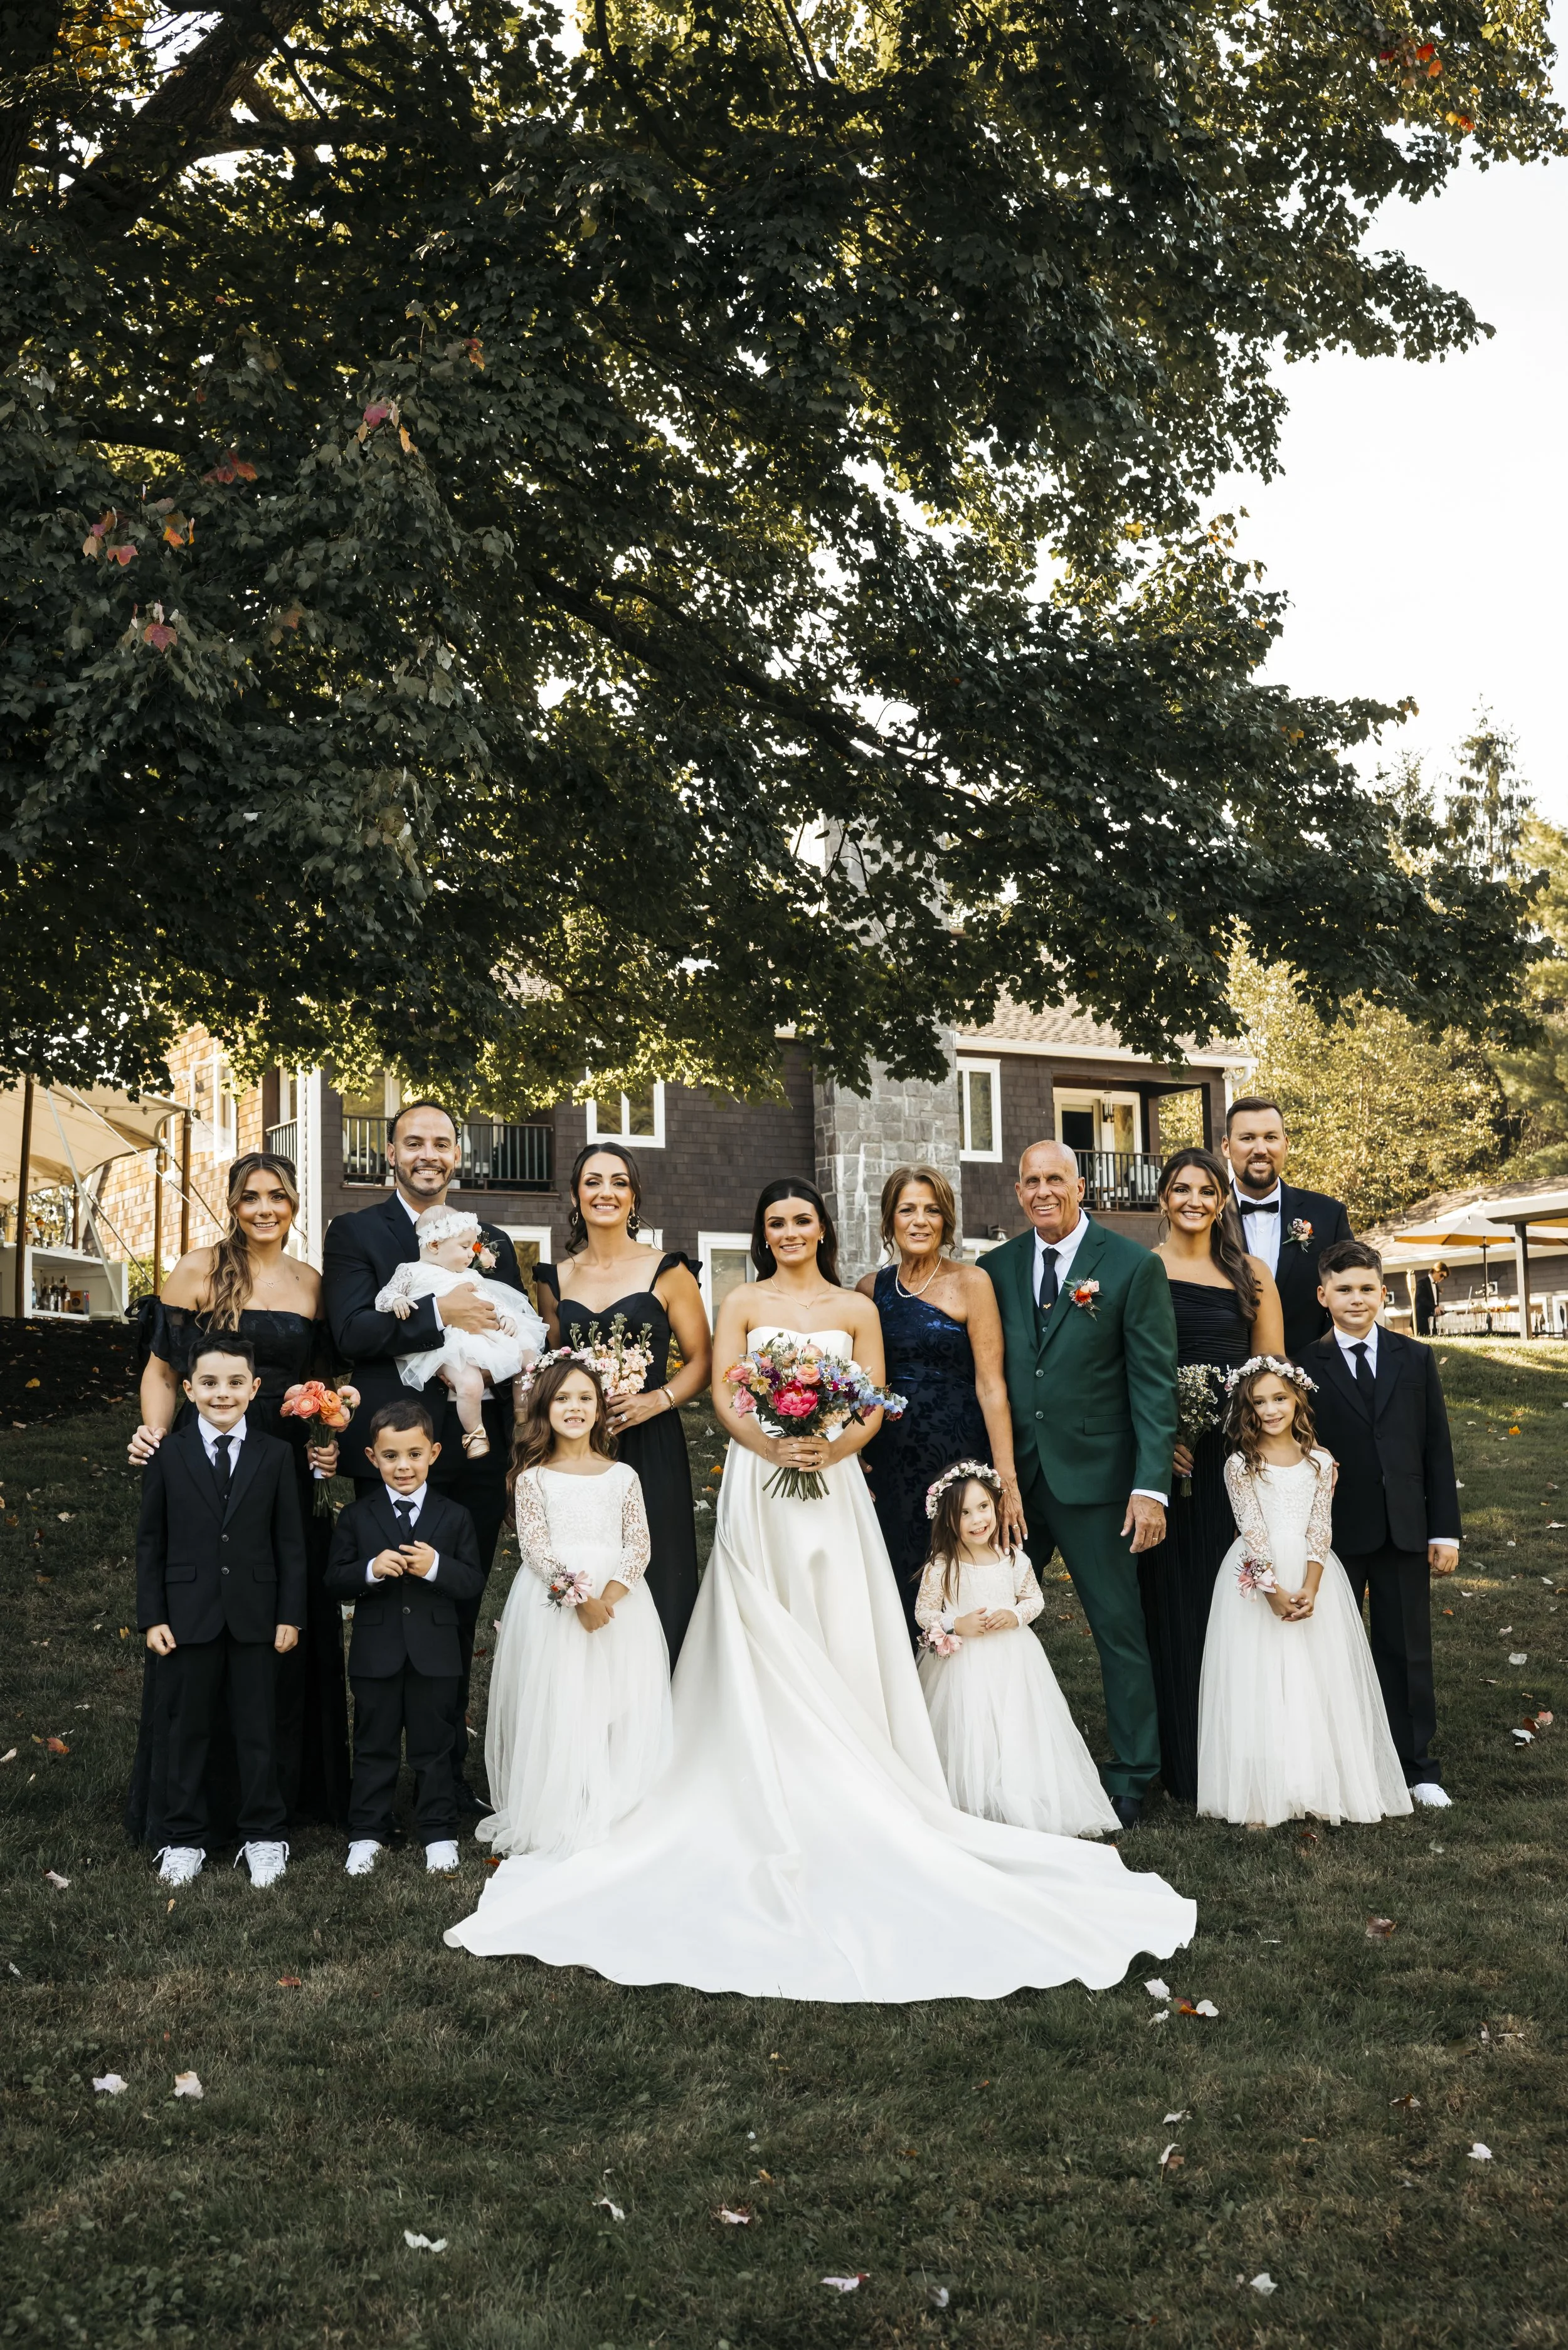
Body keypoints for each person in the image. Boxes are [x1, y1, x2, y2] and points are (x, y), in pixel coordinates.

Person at [445, 1178, 1195, 2001]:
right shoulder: (742, 1296)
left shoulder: (857, 1303)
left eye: (802, 1219)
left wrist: (833, 1445)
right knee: (758, 1612)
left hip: (833, 1482)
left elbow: (873, 1396)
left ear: (822, 1227)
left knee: (837, 1613)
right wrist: (771, 1438)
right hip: (758, 1483)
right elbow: (729, 1391)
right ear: (763, 1233)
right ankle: (754, 1757)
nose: (790, 1231)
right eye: (776, 1222)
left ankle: (852, 1758)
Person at [126, 1150, 349, 1843]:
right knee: (197, 1622)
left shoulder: (313, 1285)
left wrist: (327, 1438)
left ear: (294, 1205)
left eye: (277, 1196)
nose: (263, 1208)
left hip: (279, 1471)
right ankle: (192, 1806)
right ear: (232, 1203)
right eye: (250, 1196)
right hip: (201, 1464)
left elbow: (326, 1388)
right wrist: (159, 1440)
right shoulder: (197, 1269)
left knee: (276, 1625)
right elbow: (162, 1371)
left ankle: (281, 1799)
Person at [322, 1099, 529, 1811]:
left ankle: (445, 1781)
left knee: (455, 1614)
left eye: (441, 1143)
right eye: (414, 1142)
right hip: (391, 1455)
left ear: (456, 1154)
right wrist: (442, 1315)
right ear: (390, 1153)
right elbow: (351, 1331)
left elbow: (510, 1333)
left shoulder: (491, 1237)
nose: (428, 1154)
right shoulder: (355, 1232)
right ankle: (373, 1781)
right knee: (385, 1610)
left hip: (472, 1458)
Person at [980, 1140, 1179, 1829]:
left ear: (1081, 1185)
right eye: (1030, 1181)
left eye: (1055, 1180)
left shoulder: (1131, 1267)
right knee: (984, 1619)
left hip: (1098, 1485)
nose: (1042, 1192)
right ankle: (989, 1762)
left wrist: (1150, 1486)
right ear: (1017, 1191)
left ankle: (1131, 1773)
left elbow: (1152, 1386)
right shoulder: (995, 1268)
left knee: (1117, 1631)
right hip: (1014, 1485)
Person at [1197, 1360, 1412, 1828]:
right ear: (1247, 1408)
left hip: (1313, 1576)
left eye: (1279, 1398)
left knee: (1314, 1681)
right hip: (1258, 1578)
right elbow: (1251, 1529)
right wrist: (1272, 1589)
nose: (1271, 1409)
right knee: (1260, 1683)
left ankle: (1314, 1785)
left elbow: (1320, 1526)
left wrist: (1312, 1585)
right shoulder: (1241, 1463)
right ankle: (1259, 1797)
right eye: (1259, 1401)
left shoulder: (1319, 1460)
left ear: (1297, 1399)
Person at [1136, 1148, 1284, 1804]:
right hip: (1167, 1462)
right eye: (1179, 1189)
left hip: (1236, 1460)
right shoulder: (1142, 1269)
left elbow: (1272, 1374)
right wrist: (1157, 1437)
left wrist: (1256, 1449)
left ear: (1222, 1201)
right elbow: (1123, 1366)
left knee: (1239, 1604)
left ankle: (1246, 1751)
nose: (1192, 1200)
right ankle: (1182, 1761)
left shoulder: (1249, 1272)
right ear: (1162, 1199)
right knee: (1173, 1604)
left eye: (1205, 1190)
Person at [479, 1359, 671, 1859]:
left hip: (618, 1603)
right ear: (545, 1406)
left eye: (585, 1397)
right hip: (556, 1604)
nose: (574, 1407)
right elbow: (536, 1549)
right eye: (563, 1398)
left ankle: (613, 1797)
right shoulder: (533, 1478)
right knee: (561, 1696)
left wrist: (607, 1598)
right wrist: (578, 1598)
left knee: (615, 1695)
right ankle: (561, 1801)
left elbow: (639, 1546)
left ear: (600, 1407)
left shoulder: (623, 1475)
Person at [134, 1336, 306, 1889]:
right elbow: (150, 1543)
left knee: (258, 1729)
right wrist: (152, 1615)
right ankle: (183, 1837)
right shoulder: (168, 1454)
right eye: (209, 1383)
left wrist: (291, 1613)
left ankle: (263, 1833)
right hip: (187, 1616)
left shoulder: (276, 1455)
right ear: (188, 1389)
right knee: (187, 1728)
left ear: (255, 1389)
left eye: (235, 1382)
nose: (222, 1393)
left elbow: (291, 1544)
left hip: (258, 1615)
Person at [533, 1144, 711, 1663]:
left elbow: (702, 1358)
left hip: (651, 1437)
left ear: (633, 1196)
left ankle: (665, 1690)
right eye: (592, 1181)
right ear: (575, 1194)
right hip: (578, 1447)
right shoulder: (553, 1280)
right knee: (586, 1562)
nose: (605, 1192)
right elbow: (549, 1366)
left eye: (618, 1182)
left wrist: (660, 1398)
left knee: (656, 1564)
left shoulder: (669, 1270)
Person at [1307, 1239, 1461, 1809]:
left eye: (1367, 1288)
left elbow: (1435, 1448)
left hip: (1404, 1527)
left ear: (1383, 1292)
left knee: (1405, 1648)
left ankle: (1416, 1765)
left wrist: (1443, 1531)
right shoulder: (1304, 1365)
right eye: (1344, 1289)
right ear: (1323, 1295)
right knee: (1334, 1650)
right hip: (1334, 1533)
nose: (1356, 1299)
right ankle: (1341, 1756)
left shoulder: (1414, 1358)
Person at [857, 1165, 1024, 1638]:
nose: (920, 1220)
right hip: (891, 1459)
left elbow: (992, 1385)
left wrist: (1004, 1478)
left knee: (957, 1578)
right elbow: (858, 1385)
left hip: (956, 1458)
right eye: (907, 1209)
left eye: (932, 1210)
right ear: (890, 1219)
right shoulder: (870, 1290)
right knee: (898, 1575)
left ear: (946, 1220)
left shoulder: (972, 1282)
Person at [324, 1400, 487, 1875]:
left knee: (434, 1744)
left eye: (414, 1454)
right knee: (373, 1743)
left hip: (435, 1656)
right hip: (377, 1654)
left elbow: (473, 1581)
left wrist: (435, 1565)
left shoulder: (454, 1516)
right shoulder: (357, 1516)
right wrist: (370, 1570)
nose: (404, 1466)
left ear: (433, 1453)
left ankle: (437, 1830)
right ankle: (367, 1830)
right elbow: (335, 1578)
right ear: (373, 1458)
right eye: (391, 1456)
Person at [914, 1462, 1116, 1839]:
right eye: (964, 1513)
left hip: (1013, 1659)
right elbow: (923, 1611)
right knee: (972, 1727)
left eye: (984, 1507)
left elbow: (1034, 1600)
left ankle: (1020, 1792)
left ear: (995, 1505)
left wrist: (1014, 1615)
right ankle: (971, 1798)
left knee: (1016, 1723)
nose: (978, 1520)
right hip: (964, 1665)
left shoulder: (1013, 1558)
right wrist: (955, 1625)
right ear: (946, 1519)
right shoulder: (943, 1565)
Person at [374, 1203, 545, 1459]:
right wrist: (396, 1301)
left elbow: (492, 1301)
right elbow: (384, 1297)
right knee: (470, 1384)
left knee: (528, 1354)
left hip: (484, 1335)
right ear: (435, 1246)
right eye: (465, 1247)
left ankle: (524, 1414)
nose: (471, 1255)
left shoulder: (469, 1275)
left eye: (473, 1248)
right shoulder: (410, 1271)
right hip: (449, 1345)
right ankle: (475, 1434)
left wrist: (507, 1316)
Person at [1221, 1097, 1353, 1363]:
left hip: (1312, 1380)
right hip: (1224, 1383)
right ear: (1226, 1146)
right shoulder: (1207, 1217)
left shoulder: (1328, 1215)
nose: (1261, 1149)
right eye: (1247, 1138)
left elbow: (1350, 1296)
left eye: (1270, 1137)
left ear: (1286, 1143)